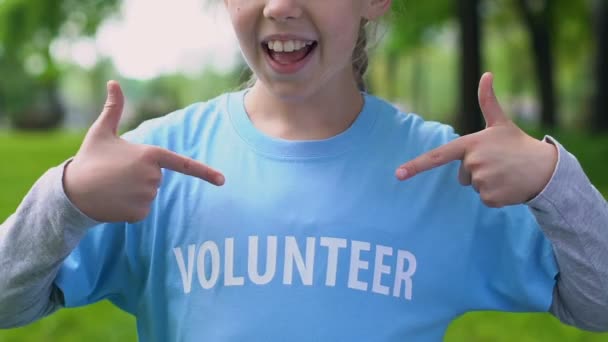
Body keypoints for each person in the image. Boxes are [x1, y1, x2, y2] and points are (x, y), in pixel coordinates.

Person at [1, 0, 607, 341]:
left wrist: (554, 181)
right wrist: (66, 197)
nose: (281, 6)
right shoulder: (154, 164)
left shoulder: (445, 173)